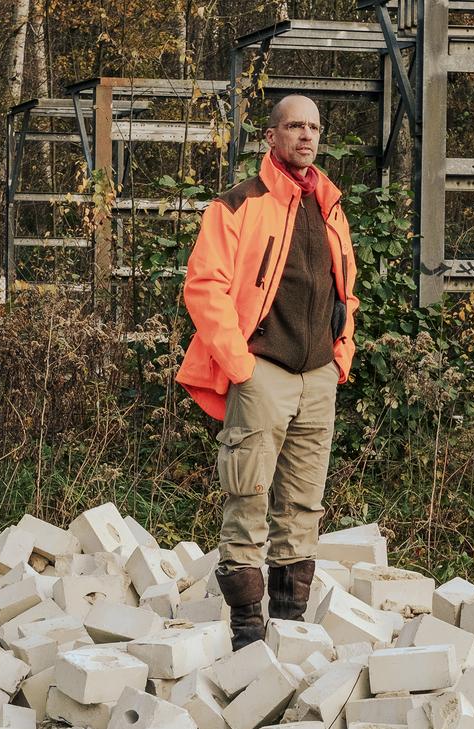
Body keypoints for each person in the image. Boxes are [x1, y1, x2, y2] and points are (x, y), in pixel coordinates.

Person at [175, 94, 359, 649]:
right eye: (295, 126)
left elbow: (346, 288)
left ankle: (290, 633)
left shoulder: (330, 204)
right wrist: (241, 366)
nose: (307, 136)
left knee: (303, 504)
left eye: (314, 127)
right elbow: (203, 287)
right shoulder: (237, 204)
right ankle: (248, 636)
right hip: (263, 370)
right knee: (248, 496)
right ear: (271, 137)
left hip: (318, 375)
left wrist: (342, 353)